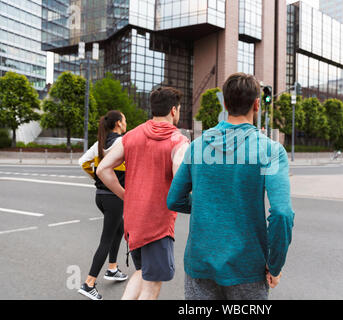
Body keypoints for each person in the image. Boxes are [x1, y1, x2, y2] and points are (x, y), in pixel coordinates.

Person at [167, 73, 295, 300]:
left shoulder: (197, 147)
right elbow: (282, 214)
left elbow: (174, 200)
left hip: (200, 264)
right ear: (257, 104)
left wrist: (208, 203)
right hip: (247, 269)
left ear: (225, 103)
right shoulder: (271, 151)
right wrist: (274, 266)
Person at [96, 87, 189, 300]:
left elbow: (103, 169)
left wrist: (125, 195)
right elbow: (180, 179)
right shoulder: (178, 140)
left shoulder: (132, 136)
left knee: (143, 272)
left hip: (134, 222)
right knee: (152, 285)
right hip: (157, 224)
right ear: (173, 110)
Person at [77, 110, 128, 300]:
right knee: (106, 240)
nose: (126, 123)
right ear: (118, 124)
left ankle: (112, 268)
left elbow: (83, 163)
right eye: (125, 120)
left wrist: (97, 178)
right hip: (113, 197)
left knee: (118, 230)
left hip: (100, 195)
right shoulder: (122, 142)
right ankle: (89, 284)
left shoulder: (100, 143)